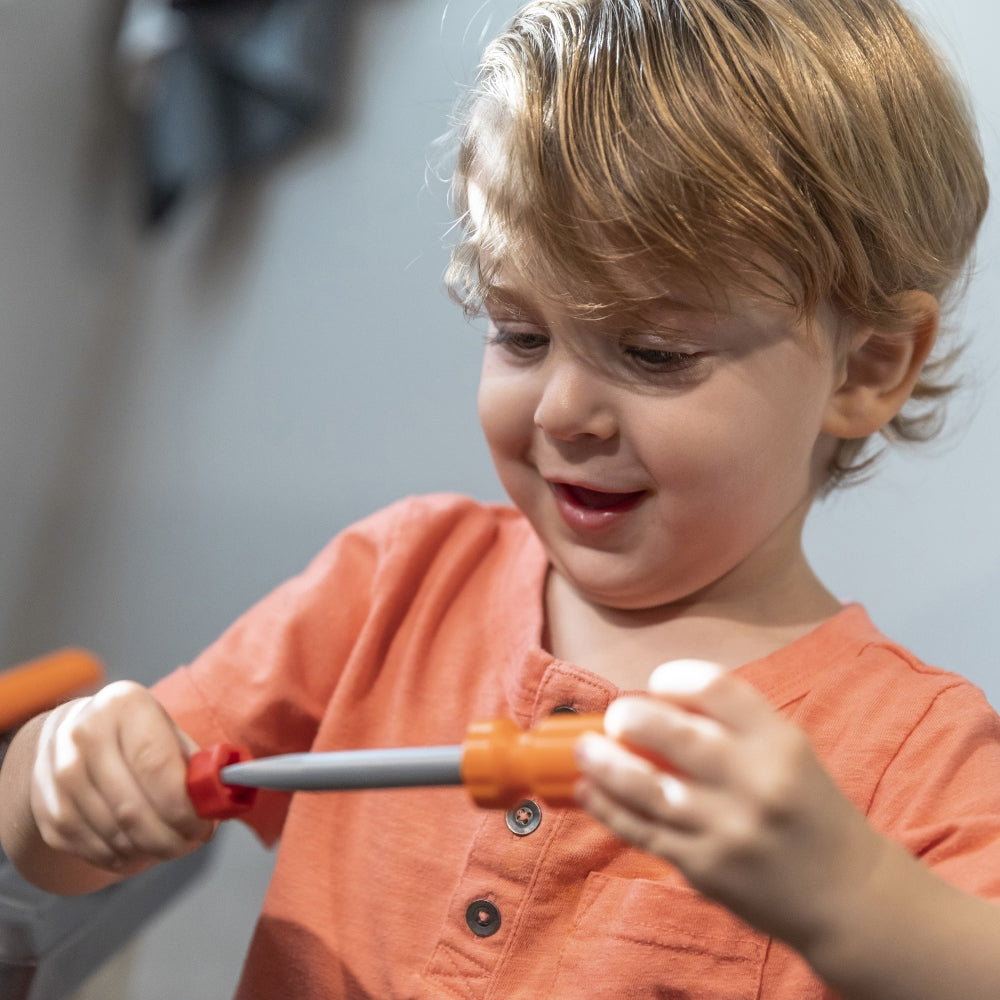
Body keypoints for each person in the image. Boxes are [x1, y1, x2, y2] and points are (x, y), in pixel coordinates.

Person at [1, 0, 997, 997]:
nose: (562, 411)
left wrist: (852, 898)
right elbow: (61, 855)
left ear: (867, 367)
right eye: (520, 335)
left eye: (653, 353)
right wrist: (63, 774)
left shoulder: (914, 756)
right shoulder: (399, 584)